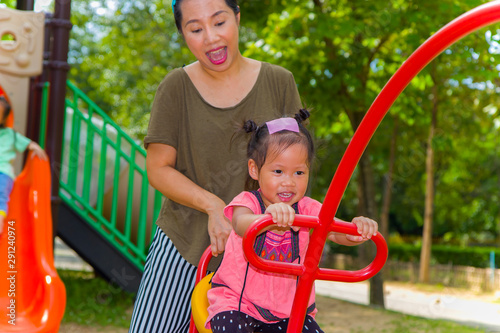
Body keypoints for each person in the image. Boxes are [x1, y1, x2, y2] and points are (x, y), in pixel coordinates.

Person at [128, 0, 303, 331]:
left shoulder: (279, 82)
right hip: (185, 238)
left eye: (219, 22)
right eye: (195, 29)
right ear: (183, 34)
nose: (210, 38)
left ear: (237, 19)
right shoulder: (175, 88)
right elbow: (158, 168)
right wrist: (212, 206)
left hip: (262, 245)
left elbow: (298, 165)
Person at [205, 111, 379, 332]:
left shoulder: (309, 209)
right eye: (278, 171)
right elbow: (241, 224)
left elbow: (335, 232)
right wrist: (267, 219)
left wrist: (356, 231)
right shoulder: (248, 202)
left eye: (299, 172)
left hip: (289, 311)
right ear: (254, 169)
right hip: (239, 305)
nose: (288, 182)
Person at [0, 96, 48, 234]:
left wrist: (36, 148)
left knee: (1, 196)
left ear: (3, 119)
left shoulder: (11, 134)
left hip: (3, 172)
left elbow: (29, 144)